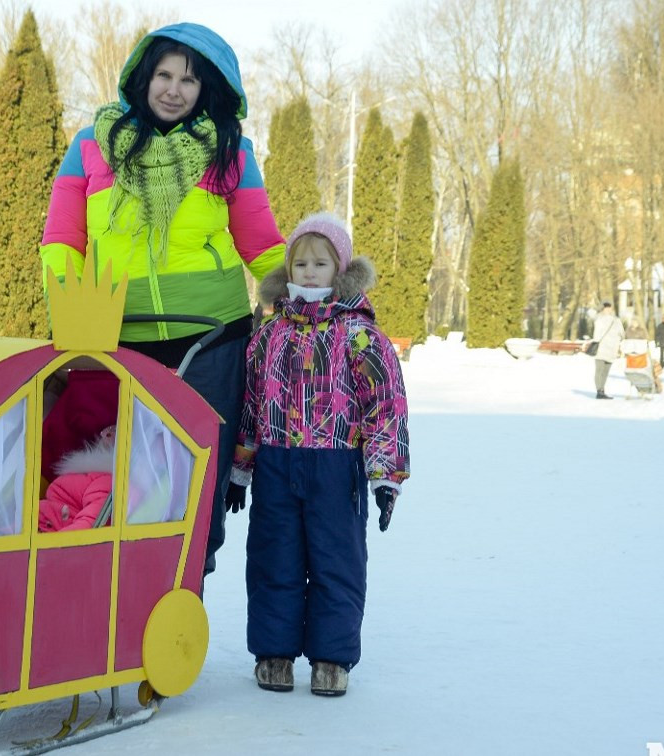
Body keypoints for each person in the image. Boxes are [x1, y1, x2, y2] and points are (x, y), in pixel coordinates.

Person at [40, 23, 285, 577]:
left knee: (199, 479)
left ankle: (183, 602)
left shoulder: (230, 152)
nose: (174, 90)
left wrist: (312, 300)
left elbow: (262, 246)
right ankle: (109, 601)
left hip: (212, 340)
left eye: (189, 81)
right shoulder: (89, 148)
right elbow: (62, 242)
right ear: (142, 78)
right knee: (118, 477)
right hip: (116, 341)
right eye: (164, 75)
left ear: (209, 90)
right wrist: (72, 313)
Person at [223, 213, 410, 697]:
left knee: (336, 561)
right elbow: (250, 403)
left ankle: (331, 658)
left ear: (339, 269)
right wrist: (240, 469)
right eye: (300, 263)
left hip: (335, 467)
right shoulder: (268, 335)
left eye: (320, 263)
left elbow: (385, 403)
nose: (308, 272)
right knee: (273, 559)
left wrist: (385, 475)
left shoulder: (359, 334)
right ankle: (274, 653)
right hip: (277, 466)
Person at [592, 301, 625, 399]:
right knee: (600, 370)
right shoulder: (599, 320)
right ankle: (599, 390)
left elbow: (622, 334)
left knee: (604, 371)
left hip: (610, 349)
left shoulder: (615, 321)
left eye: (609, 308)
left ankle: (601, 390)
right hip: (602, 349)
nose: (608, 310)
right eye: (606, 308)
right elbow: (622, 334)